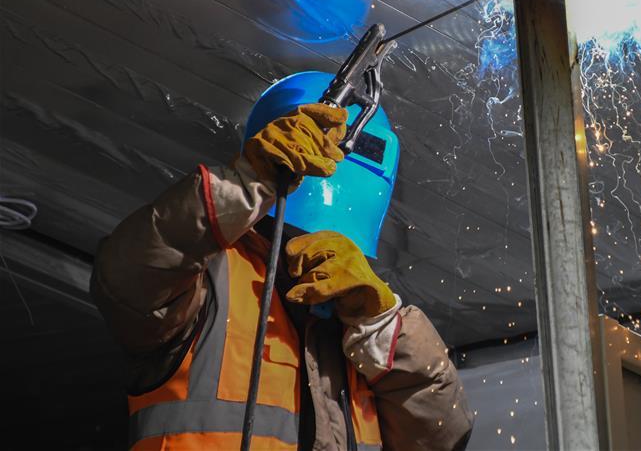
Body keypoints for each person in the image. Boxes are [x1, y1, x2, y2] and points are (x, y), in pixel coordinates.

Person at [91, 83, 474, 450]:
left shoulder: (362, 318)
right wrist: (243, 186)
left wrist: (383, 328)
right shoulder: (209, 278)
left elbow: (443, 437)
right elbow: (129, 281)